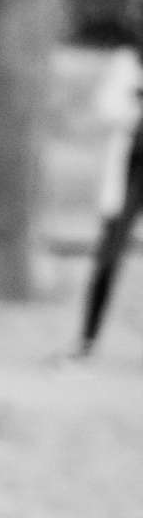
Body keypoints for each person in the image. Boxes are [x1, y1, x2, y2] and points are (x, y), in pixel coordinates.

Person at [78, 38, 143, 356]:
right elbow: (105, 108)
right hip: (129, 170)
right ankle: (87, 341)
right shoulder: (127, 63)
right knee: (109, 255)